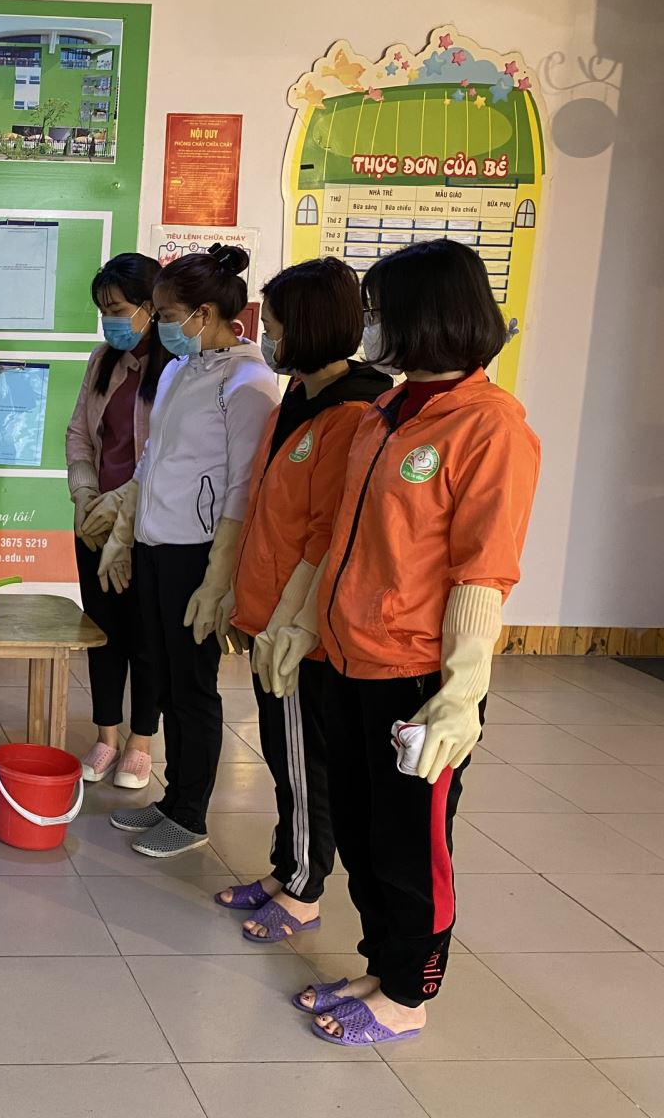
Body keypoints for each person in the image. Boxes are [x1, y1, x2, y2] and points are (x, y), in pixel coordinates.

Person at [278, 239, 539, 1045]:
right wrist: (299, 620)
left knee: (411, 845)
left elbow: (481, 572)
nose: (370, 326)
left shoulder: (490, 428)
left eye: (379, 311)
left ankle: (409, 992)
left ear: (427, 316)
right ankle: (379, 964)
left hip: (416, 676)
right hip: (347, 659)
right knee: (362, 832)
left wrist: (461, 692)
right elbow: (339, 537)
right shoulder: (387, 411)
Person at [214, 258, 392, 941]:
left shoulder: (350, 413)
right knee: (282, 755)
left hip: (300, 630)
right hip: (267, 615)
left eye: (275, 325)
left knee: (303, 761)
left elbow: (324, 534)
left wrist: (288, 619)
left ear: (309, 328)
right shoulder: (300, 395)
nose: (266, 336)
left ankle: (304, 890)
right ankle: (286, 867)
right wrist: (237, 597)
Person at [98, 245, 276, 858]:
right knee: (164, 679)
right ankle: (173, 799)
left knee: (193, 686)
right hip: (156, 545)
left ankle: (192, 814)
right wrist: (123, 533)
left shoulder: (248, 382)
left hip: (197, 554)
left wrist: (217, 578)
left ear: (205, 314)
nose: (161, 325)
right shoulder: (182, 369)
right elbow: (151, 460)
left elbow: (242, 489)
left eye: (169, 315)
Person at [66, 252, 167, 789]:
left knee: (144, 636)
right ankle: (106, 736)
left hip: (146, 525)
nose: (109, 321)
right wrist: (85, 494)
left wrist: (122, 506)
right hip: (95, 522)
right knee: (102, 632)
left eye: (118, 309)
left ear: (151, 307)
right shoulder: (103, 359)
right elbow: (79, 434)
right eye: (103, 310)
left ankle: (140, 742)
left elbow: (165, 456)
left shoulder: (175, 370)